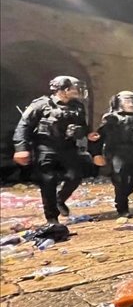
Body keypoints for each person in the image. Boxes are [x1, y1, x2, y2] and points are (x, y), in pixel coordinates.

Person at [13, 76, 95, 224]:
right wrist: (21, 148)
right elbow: (24, 126)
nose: (78, 92)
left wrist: (81, 132)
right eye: (75, 88)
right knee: (48, 182)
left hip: (68, 148)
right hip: (46, 148)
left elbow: (83, 125)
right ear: (64, 89)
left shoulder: (77, 106)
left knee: (75, 176)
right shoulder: (41, 105)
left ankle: (60, 199)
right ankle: (52, 218)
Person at [92, 91, 133, 217]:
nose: (132, 103)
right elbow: (99, 136)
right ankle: (122, 208)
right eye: (128, 101)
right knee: (120, 179)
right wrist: (96, 153)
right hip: (118, 152)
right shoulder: (112, 118)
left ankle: (121, 197)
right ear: (118, 103)